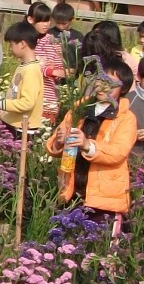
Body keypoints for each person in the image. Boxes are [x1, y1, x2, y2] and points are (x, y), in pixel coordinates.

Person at [47, 62, 137, 227]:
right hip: (72, 190)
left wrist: (87, 145)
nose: (103, 87)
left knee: (99, 241)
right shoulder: (79, 108)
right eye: (100, 80)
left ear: (123, 89)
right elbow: (56, 142)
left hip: (104, 198)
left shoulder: (126, 118)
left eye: (111, 83)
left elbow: (118, 152)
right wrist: (59, 141)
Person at [0, 22, 44, 137]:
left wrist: (0, 105)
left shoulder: (31, 70)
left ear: (22, 44)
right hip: (13, 124)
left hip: (23, 129)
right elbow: (14, 98)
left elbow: (27, 103)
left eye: (12, 44)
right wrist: (2, 113)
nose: (10, 49)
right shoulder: (23, 67)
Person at [28, 2, 64, 120]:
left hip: (48, 98)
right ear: (30, 19)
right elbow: (28, 65)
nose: (46, 24)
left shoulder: (54, 43)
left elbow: (60, 72)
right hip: (29, 96)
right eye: (41, 21)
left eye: (48, 20)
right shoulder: (26, 41)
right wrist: (49, 70)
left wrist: (55, 70)